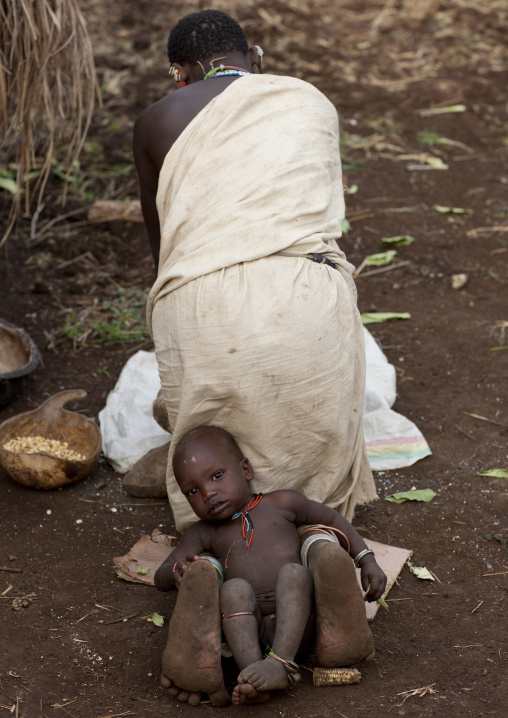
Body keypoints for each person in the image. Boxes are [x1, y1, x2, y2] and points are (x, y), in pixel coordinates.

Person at [133, 9, 378, 536]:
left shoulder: (155, 120)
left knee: (209, 406)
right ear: (257, 59)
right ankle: (317, 532)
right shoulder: (308, 101)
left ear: (178, 74)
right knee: (305, 389)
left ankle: (220, 544)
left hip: (202, 310)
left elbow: (166, 252)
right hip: (305, 297)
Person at [154, 425, 387, 706]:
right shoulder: (202, 532)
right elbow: (161, 576)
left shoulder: (281, 502)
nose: (207, 493)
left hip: (301, 625)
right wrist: (176, 572)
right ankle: (253, 674)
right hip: (249, 634)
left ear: (245, 470)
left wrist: (366, 559)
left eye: (217, 476)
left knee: (293, 573)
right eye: (192, 490)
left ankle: (281, 664)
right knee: (233, 590)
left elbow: (334, 520)